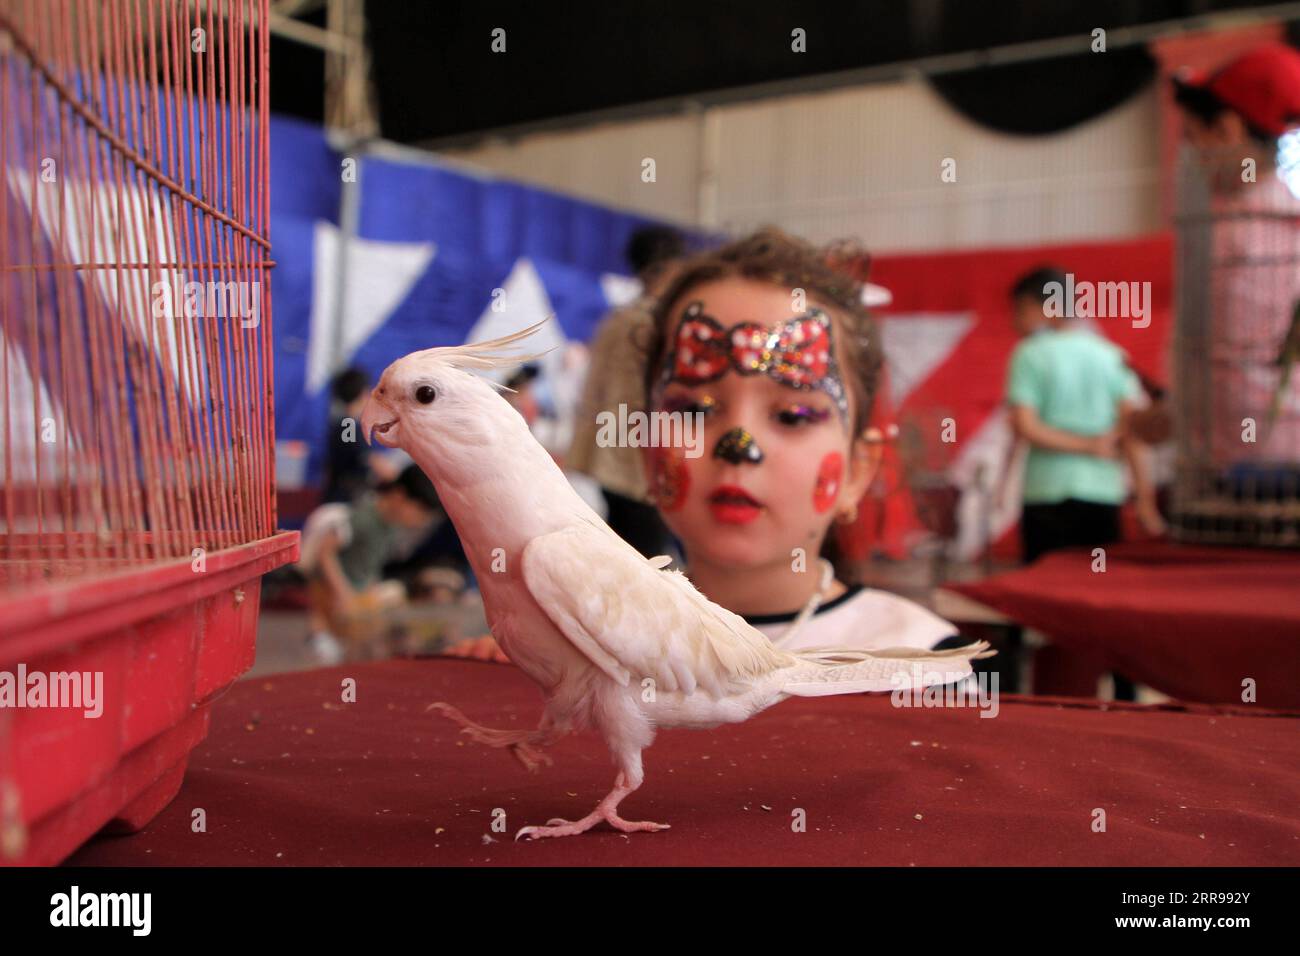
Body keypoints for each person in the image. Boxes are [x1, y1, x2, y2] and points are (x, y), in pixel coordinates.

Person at [447, 228, 970, 670]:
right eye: (693, 411)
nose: (737, 447)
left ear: (857, 471)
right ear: (646, 450)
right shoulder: (580, 647)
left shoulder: (920, 665)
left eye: (791, 415)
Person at [565, 225, 685, 558]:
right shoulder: (656, 323)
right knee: (644, 554)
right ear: (669, 267)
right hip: (641, 457)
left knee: (627, 545)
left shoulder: (618, 319)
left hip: (613, 449)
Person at [298, 464, 444, 664]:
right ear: (400, 496)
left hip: (359, 597)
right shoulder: (364, 516)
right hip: (332, 595)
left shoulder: (392, 527)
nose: (422, 521)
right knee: (328, 656)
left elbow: (372, 564)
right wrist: (342, 592)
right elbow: (325, 552)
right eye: (421, 512)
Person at [321, 367, 375, 503]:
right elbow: (356, 453)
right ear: (364, 393)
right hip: (344, 499)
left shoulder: (346, 423)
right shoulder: (348, 424)